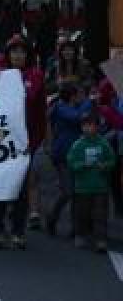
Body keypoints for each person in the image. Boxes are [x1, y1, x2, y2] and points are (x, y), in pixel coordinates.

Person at [0, 38, 42, 248]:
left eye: (22, 51)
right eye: (14, 51)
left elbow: (38, 113)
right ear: (8, 54)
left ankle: (18, 230)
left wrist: (35, 141)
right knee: (0, 183)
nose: (18, 55)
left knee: (20, 187)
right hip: (1, 138)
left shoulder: (35, 76)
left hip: (24, 140)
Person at [46, 82, 94, 236]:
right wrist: (89, 101)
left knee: (78, 192)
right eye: (79, 94)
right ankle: (52, 217)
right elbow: (77, 118)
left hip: (77, 154)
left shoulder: (73, 107)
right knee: (68, 191)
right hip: (63, 155)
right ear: (72, 96)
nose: (82, 97)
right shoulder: (61, 108)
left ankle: (76, 228)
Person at [67, 111, 116, 252]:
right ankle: (80, 234)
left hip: (100, 186)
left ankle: (101, 240)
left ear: (97, 127)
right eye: (86, 126)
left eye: (92, 125)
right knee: (82, 213)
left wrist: (105, 166)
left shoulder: (103, 143)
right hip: (82, 187)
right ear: (82, 127)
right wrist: (81, 165)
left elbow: (112, 160)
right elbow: (71, 162)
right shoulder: (78, 145)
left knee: (100, 214)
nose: (89, 128)